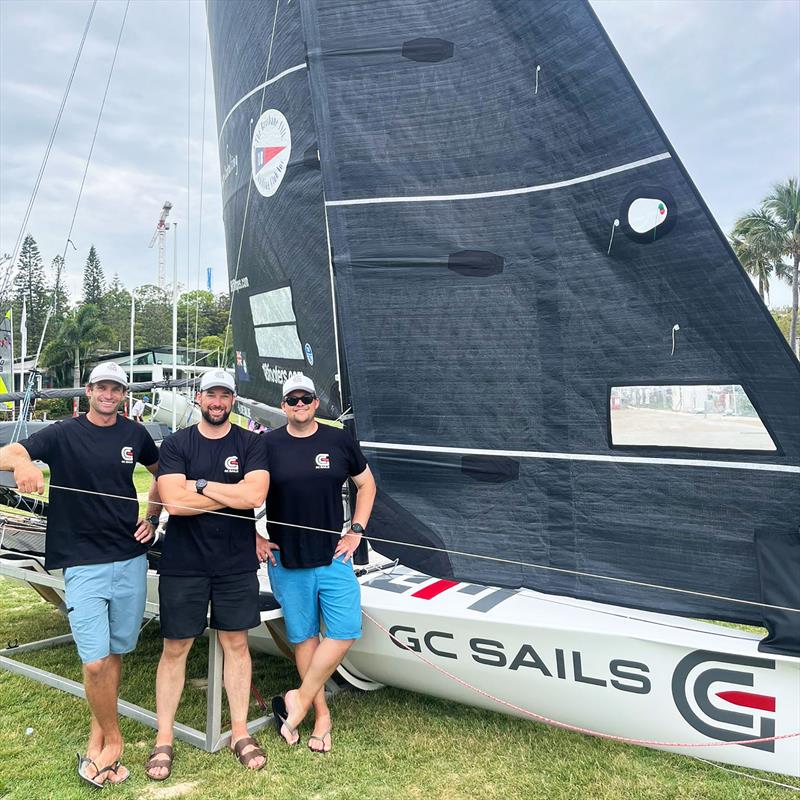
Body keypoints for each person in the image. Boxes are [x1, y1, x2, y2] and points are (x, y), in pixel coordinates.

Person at [0, 361, 162, 788]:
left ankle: (97, 736)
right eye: (101, 387)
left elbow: (164, 473)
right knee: (93, 662)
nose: (109, 395)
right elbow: (9, 452)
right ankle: (114, 738)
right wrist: (22, 466)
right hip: (83, 561)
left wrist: (154, 516)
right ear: (88, 391)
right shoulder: (63, 432)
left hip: (130, 557)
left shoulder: (135, 434)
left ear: (123, 395)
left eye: (116, 389)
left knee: (114, 653)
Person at [146, 370, 269, 780]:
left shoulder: (251, 443)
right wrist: (230, 494)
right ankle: (164, 737)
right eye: (210, 394)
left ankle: (240, 733)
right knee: (176, 647)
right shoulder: (177, 444)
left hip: (235, 562)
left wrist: (198, 485)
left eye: (224, 395)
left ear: (233, 400)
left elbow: (255, 496)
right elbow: (174, 505)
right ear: (198, 398)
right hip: (184, 562)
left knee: (236, 643)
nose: (217, 402)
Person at [263, 373, 376, 753]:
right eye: (292, 400)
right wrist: (254, 538)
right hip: (286, 559)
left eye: (305, 399)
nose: (299, 405)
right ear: (283, 406)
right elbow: (243, 494)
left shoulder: (338, 439)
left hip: (333, 554)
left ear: (315, 403)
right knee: (304, 637)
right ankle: (321, 715)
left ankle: (298, 698)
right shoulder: (267, 444)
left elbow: (367, 485)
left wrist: (356, 530)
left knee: (345, 630)